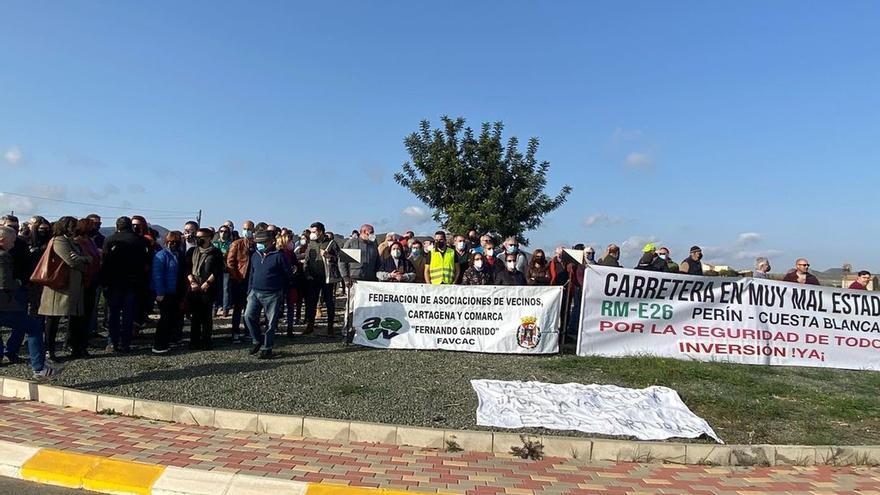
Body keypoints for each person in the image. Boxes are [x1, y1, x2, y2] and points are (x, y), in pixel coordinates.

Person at [0, 226, 58, 379]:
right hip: (3, 305)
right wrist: (18, 282)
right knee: (33, 328)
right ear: (2, 239)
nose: (13, 244)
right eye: (12, 241)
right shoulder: (3, 256)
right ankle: (39, 368)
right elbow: (4, 284)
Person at [38, 216, 92, 362]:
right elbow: (71, 261)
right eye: (71, 226)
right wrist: (84, 260)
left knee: (73, 318)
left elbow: (87, 258)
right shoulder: (59, 241)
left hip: (72, 286)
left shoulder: (71, 242)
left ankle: (74, 347)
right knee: (53, 319)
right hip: (59, 287)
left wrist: (83, 259)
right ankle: (49, 350)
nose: (74, 229)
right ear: (64, 227)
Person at [102, 216, 151, 353]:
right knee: (128, 314)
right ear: (131, 226)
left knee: (114, 314)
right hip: (133, 282)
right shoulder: (140, 240)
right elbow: (146, 261)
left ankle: (112, 342)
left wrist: (104, 281)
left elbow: (104, 262)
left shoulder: (110, 240)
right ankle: (126, 343)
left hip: (113, 282)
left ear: (117, 226)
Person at [245, 229, 292, 359]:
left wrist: (282, 291)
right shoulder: (255, 255)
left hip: (273, 294)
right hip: (255, 292)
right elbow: (251, 274)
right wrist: (249, 291)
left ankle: (267, 348)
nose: (259, 245)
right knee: (248, 316)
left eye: (262, 242)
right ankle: (257, 340)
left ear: (271, 242)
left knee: (271, 324)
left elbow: (288, 274)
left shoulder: (279, 256)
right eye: (257, 242)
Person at [184, 228, 224, 350]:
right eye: (197, 237)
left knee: (206, 316)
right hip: (194, 286)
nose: (198, 239)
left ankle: (207, 340)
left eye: (201, 237)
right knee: (195, 315)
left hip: (208, 287)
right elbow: (187, 267)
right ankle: (194, 341)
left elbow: (217, 270)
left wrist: (207, 283)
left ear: (209, 238)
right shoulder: (192, 251)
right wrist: (192, 281)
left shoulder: (215, 252)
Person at [69, 218, 101, 359]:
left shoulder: (90, 241)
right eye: (93, 225)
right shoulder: (78, 242)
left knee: (87, 315)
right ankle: (76, 345)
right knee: (79, 316)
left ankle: (82, 344)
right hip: (82, 282)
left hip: (91, 281)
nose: (96, 227)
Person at [301, 222, 339, 336]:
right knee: (311, 303)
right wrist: (306, 273)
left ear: (321, 232)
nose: (312, 234)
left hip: (327, 278)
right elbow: (307, 260)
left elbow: (339, 259)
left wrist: (329, 257)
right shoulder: (311, 244)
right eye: (311, 232)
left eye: (314, 232)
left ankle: (330, 326)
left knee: (329, 302)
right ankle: (310, 325)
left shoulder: (331, 244)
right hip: (313, 278)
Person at [151, 231, 182, 354]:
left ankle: (166, 342)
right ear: (166, 242)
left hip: (174, 291)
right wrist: (160, 292)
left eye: (177, 242)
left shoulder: (178, 254)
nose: (174, 244)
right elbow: (157, 275)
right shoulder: (161, 255)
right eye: (172, 242)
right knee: (165, 319)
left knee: (171, 318)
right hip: (164, 292)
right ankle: (159, 344)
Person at [226, 220, 255, 342]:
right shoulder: (236, 244)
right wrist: (237, 277)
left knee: (251, 308)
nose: (246, 231)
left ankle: (249, 331)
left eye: (249, 229)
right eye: (245, 228)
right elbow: (230, 263)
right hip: (240, 280)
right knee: (238, 309)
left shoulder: (255, 244)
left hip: (252, 281)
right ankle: (235, 332)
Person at [276, 231, 303, 335]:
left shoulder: (290, 253)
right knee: (279, 306)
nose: (291, 243)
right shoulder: (279, 253)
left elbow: (295, 264)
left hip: (290, 282)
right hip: (282, 283)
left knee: (290, 306)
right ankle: (278, 327)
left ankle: (289, 328)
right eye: (289, 241)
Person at [213, 224, 234, 317]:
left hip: (226, 269)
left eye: (225, 231)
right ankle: (215, 307)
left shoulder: (231, 244)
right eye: (221, 231)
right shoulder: (215, 243)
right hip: (216, 269)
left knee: (226, 289)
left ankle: (226, 308)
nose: (223, 233)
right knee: (216, 288)